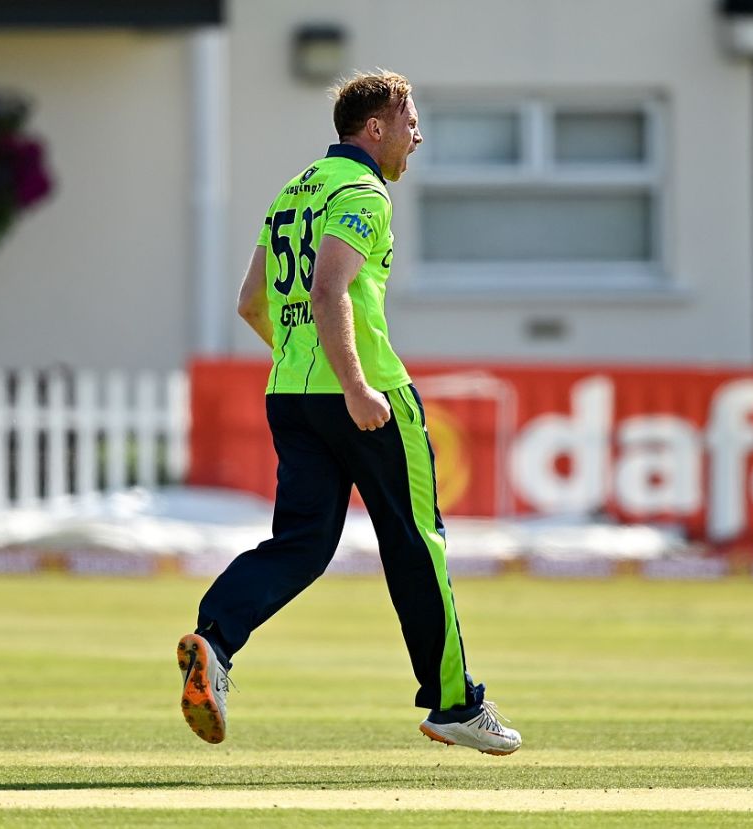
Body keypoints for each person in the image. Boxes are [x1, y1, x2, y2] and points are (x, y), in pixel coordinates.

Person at [176, 71, 521, 756]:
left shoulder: (292, 192)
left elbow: (252, 301)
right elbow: (329, 286)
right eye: (410, 121)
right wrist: (356, 385)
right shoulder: (363, 192)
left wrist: (307, 363)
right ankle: (455, 703)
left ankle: (214, 639)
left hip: (292, 395)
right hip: (367, 394)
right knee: (416, 542)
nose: (417, 135)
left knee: (302, 544)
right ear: (375, 128)